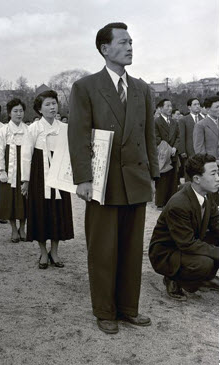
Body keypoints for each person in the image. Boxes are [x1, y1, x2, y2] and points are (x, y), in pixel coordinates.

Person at [68, 22, 159, 334]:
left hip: (135, 181)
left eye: (132, 42)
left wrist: (153, 176)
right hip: (102, 181)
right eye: (123, 42)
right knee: (104, 249)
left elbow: (149, 135)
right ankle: (105, 311)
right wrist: (82, 179)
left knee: (132, 250)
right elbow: (77, 136)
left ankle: (128, 308)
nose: (130, 47)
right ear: (105, 49)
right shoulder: (85, 88)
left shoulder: (143, 89)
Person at [149, 154, 219, 300]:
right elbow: (187, 244)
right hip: (167, 253)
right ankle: (173, 278)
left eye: (218, 172)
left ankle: (205, 278)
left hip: (187, 243)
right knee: (205, 263)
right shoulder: (179, 204)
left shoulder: (208, 193)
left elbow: (216, 224)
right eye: (213, 174)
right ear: (197, 179)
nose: (218, 178)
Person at [22, 90, 74, 269]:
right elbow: (26, 155)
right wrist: (25, 180)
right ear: (39, 109)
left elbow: (70, 153)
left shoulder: (65, 128)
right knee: (41, 211)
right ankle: (43, 252)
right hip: (39, 173)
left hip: (59, 174)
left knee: (58, 211)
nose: (52, 107)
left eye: (54, 103)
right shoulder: (34, 128)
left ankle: (55, 251)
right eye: (48, 104)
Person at [0, 98, 28, 242]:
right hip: (9, 169)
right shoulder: (3, 130)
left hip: (24, 168)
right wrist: (2, 170)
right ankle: (14, 229)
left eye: (21, 111)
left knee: (24, 198)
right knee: (10, 199)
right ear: (9, 113)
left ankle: (23, 228)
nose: (19, 114)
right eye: (15, 111)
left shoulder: (28, 129)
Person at [154, 99, 180, 208]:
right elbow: (156, 138)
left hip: (173, 155)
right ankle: (160, 203)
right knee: (162, 180)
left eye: (171, 106)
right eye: (167, 106)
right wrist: (169, 149)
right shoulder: (156, 121)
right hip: (162, 156)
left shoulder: (174, 122)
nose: (170, 108)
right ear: (160, 108)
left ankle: (171, 202)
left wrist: (175, 147)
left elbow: (178, 137)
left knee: (173, 180)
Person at [178, 98, 203, 180]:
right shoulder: (183, 120)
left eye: (198, 104)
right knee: (190, 174)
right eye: (195, 104)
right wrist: (182, 150)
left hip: (202, 151)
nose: (197, 106)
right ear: (189, 107)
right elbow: (181, 136)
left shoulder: (204, 119)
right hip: (189, 151)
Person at [193, 96, 219, 161]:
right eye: (217, 107)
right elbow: (199, 150)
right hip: (213, 163)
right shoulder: (200, 125)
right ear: (208, 109)